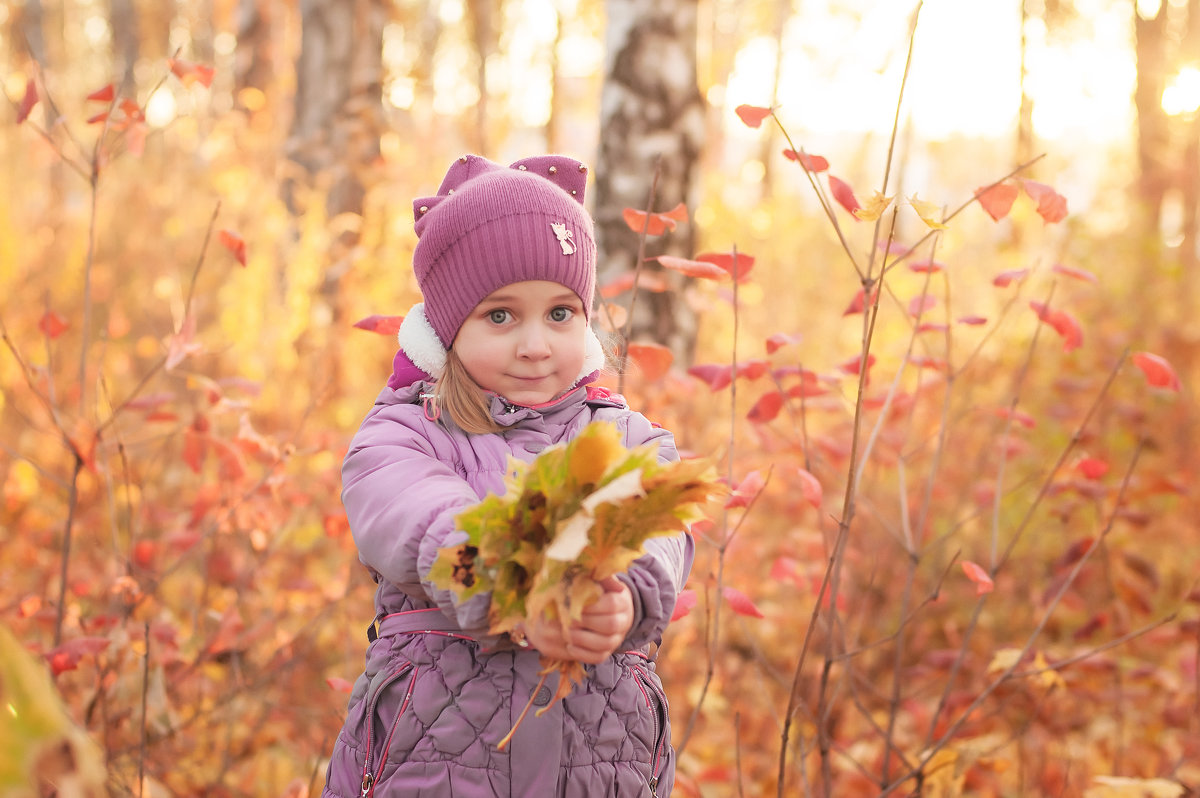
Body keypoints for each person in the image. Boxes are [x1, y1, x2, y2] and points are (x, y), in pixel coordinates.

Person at [322, 154, 694, 798]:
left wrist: (627, 595)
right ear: (446, 327)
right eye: (500, 316)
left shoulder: (624, 437)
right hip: (438, 761)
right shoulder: (404, 435)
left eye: (559, 313)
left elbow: (661, 522)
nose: (535, 345)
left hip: (600, 764)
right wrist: (509, 583)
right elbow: (424, 521)